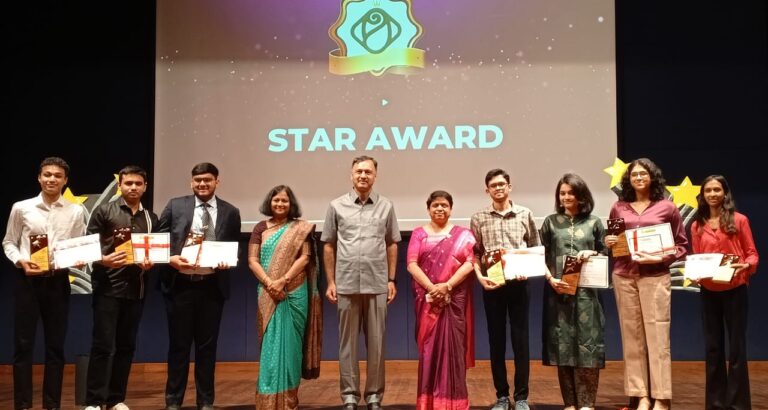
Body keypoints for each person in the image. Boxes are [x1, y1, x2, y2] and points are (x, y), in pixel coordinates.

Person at [3, 156, 87, 410]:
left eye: (57, 176)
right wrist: (20, 261)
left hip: (58, 282)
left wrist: (79, 259)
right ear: (39, 177)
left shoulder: (75, 211)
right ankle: (23, 404)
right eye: (47, 175)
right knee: (23, 346)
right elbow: (9, 241)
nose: (52, 179)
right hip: (28, 282)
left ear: (65, 180)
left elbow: (78, 242)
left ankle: (52, 404)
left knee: (55, 347)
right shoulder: (21, 207)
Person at [604, 158, 687, 410]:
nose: (638, 178)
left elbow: (681, 244)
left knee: (658, 337)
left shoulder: (667, 207)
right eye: (634, 175)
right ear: (628, 180)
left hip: (655, 276)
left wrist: (662, 256)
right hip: (624, 275)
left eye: (643, 174)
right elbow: (615, 240)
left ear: (652, 177)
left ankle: (661, 396)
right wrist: (609, 242)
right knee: (632, 339)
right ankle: (640, 395)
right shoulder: (619, 207)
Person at [157, 162, 242, 410]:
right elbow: (161, 238)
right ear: (191, 182)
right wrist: (169, 258)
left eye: (207, 180)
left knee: (207, 348)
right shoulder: (175, 205)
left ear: (217, 181)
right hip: (180, 285)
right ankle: (173, 401)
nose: (202, 184)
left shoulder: (231, 211)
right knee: (178, 346)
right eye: (197, 180)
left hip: (212, 287)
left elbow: (233, 245)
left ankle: (206, 401)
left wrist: (229, 262)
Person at [321, 155, 401, 410]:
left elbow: (391, 243)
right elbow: (329, 245)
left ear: (375, 175)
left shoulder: (386, 206)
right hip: (345, 283)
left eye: (368, 172)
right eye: (359, 172)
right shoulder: (336, 206)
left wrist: (391, 279)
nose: (363, 176)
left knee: (377, 344)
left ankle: (375, 396)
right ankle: (349, 396)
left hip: (377, 283)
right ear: (351, 175)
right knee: (347, 345)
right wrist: (331, 281)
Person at [82, 165, 159, 410]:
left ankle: (116, 399)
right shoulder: (104, 211)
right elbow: (88, 244)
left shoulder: (151, 218)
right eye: (128, 183)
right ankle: (94, 401)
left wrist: (150, 264)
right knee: (102, 345)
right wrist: (102, 259)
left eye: (138, 183)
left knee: (126, 347)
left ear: (145, 187)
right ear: (120, 185)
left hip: (136, 290)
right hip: (107, 287)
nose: (133, 187)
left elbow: (154, 252)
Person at [470, 168, 540, 410]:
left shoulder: (524, 214)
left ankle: (521, 397)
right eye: (493, 185)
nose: (498, 188)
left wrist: (528, 269)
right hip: (493, 284)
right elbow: (476, 253)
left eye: (502, 184)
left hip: (519, 284)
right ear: (487, 190)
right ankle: (502, 396)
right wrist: (480, 277)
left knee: (521, 340)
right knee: (496, 341)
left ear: (510, 187)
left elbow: (534, 247)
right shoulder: (478, 217)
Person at [248, 185, 322, 409]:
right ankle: (269, 401)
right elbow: (252, 260)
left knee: (292, 347)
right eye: (276, 200)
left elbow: (306, 257)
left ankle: (290, 400)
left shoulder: (301, 228)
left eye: (284, 201)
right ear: (269, 203)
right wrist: (270, 283)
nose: (280, 204)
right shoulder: (260, 227)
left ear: (292, 204)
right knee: (271, 346)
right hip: (267, 293)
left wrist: (283, 280)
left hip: (294, 292)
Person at [690, 175, 758, 410]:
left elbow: (752, 254)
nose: (712, 194)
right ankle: (716, 403)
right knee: (713, 348)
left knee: (737, 348)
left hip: (735, 289)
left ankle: (738, 404)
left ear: (725, 192)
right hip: (709, 291)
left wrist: (747, 265)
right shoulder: (697, 225)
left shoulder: (740, 221)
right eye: (708, 190)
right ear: (703, 195)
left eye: (717, 189)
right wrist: (695, 272)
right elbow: (697, 257)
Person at [539, 173, 606, 410]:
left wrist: (594, 253)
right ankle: (569, 403)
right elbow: (541, 256)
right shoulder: (550, 222)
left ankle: (587, 403)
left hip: (588, 294)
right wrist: (550, 279)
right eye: (562, 193)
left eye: (571, 192)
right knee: (563, 345)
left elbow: (607, 253)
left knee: (588, 344)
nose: (566, 197)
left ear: (581, 195)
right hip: (558, 292)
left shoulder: (594, 222)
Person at [407, 190, 476, 410]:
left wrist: (447, 286)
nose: (440, 209)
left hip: (453, 299)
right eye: (435, 205)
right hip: (428, 301)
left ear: (451, 209)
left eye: (444, 205)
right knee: (429, 350)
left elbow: (469, 262)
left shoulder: (463, 234)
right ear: (428, 209)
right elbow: (411, 264)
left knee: (453, 352)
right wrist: (433, 288)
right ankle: (428, 402)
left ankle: (455, 403)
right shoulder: (419, 234)